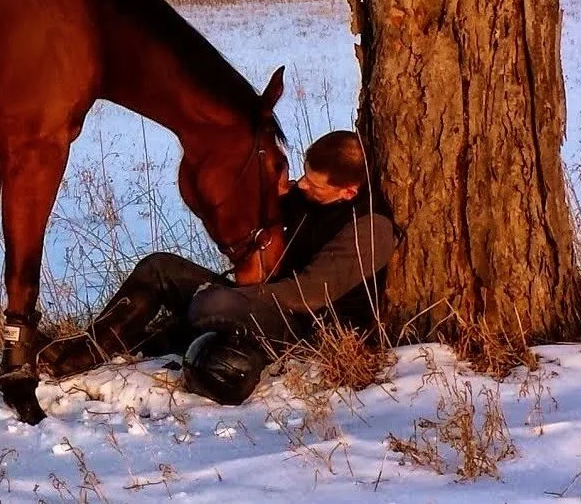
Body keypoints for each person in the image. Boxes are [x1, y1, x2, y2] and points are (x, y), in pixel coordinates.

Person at [36, 130, 397, 405]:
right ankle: (86, 348)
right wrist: (270, 190)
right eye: (302, 175)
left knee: (214, 306)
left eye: (313, 183)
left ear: (347, 191)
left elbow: (309, 294)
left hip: (303, 325)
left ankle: (160, 337)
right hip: (259, 301)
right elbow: (243, 218)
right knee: (159, 266)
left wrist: (235, 297)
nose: (302, 185)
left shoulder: (370, 228)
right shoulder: (307, 199)